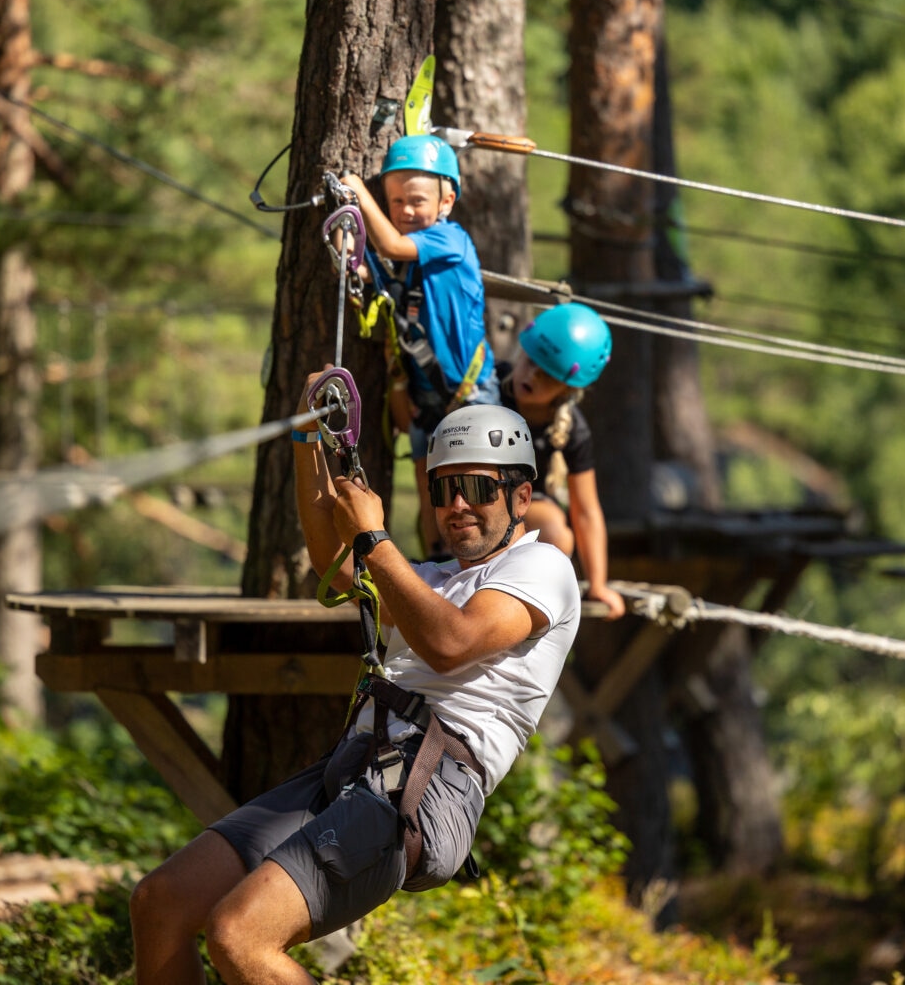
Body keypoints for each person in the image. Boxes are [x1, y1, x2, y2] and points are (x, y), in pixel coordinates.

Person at [128, 381, 580, 985]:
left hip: (427, 785)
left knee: (240, 937)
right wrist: (307, 433)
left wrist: (375, 537)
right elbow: (333, 564)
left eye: (479, 488)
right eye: (445, 488)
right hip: (358, 765)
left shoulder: (543, 566)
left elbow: (451, 645)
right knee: (160, 904)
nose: (458, 505)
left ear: (522, 496)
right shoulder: (433, 577)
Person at [339, 134, 498, 560]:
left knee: (473, 486)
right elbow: (370, 266)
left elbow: (390, 243)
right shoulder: (407, 266)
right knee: (432, 494)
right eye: (395, 202)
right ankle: (438, 562)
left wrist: (357, 188)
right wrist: (348, 239)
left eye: (417, 200)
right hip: (426, 396)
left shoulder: (451, 241)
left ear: (446, 201)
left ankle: (482, 563)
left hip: (468, 392)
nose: (407, 211)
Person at [498, 302, 625, 620]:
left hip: (522, 509)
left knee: (558, 532)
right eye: (530, 362)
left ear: (567, 388)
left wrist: (598, 584)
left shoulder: (573, 430)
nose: (531, 377)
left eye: (547, 376)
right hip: (470, 495)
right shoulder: (487, 387)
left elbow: (586, 510)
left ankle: (521, 606)